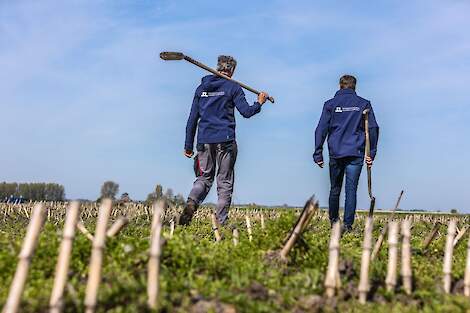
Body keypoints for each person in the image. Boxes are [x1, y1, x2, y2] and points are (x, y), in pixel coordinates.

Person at [180, 55, 269, 226]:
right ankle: (221, 222)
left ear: (218, 67)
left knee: (204, 178)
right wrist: (259, 102)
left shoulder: (201, 89)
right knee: (224, 181)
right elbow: (247, 112)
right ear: (232, 70)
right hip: (225, 141)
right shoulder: (233, 87)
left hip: (204, 141)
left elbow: (192, 119)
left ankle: (192, 202)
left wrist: (188, 145)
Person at [313, 75, 379, 232]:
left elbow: (321, 129)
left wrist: (318, 153)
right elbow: (373, 129)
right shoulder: (363, 104)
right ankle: (348, 225)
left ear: (340, 86)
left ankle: (334, 222)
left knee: (335, 188)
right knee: (351, 190)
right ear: (354, 87)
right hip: (356, 152)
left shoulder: (330, 104)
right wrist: (372, 152)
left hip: (336, 152)